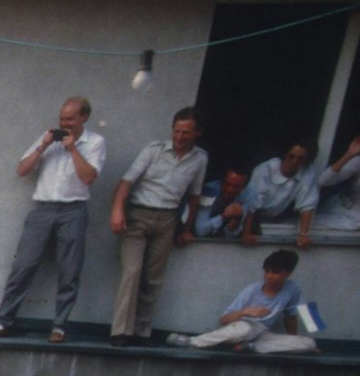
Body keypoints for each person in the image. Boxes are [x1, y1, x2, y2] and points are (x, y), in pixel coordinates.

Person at [0, 97, 105, 343]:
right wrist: (43, 146)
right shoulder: (47, 137)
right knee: (23, 267)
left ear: (84, 118)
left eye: (70, 119)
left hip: (73, 210)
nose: (64, 123)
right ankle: (2, 321)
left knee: (69, 270)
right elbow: (21, 170)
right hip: (42, 209)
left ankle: (60, 327)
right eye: (62, 118)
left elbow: (89, 177)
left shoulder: (95, 142)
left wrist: (73, 149)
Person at [107, 106, 208, 349]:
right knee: (132, 272)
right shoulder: (153, 151)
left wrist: (187, 227)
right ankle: (121, 331)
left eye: (186, 133)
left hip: (168, 219)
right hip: (139, 214)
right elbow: (126, 181)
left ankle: (141, 331)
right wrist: (117, 210)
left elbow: (195, 195)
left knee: (153, 277)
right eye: (177, 131)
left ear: (197, 133)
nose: (180, 137)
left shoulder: (200, 158)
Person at [164, 247, 318, 354]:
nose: (269, 276)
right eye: (267, 271)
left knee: (309, 344)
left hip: (262, 335)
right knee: (245, 329)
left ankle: (251, 347)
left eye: (276, 272)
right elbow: (224, 320)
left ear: (288, 273)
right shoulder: (252, 290)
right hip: (244, 327)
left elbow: (291, 316)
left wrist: (293, 340)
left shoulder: (293, 288)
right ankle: (191, 341)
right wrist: (246, 311)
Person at [241, 138, 320, 246]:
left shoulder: (307, 172)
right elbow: (252, 203)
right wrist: (246, 233)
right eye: (291, 156)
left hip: (274, 219)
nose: (294, 162)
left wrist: (303, 235)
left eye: (300, 159)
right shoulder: (265, 169)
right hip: (248, 217)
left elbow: (306, 204)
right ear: (284, 155)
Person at [194, 168, 250, 239]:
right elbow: (200, 231)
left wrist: (237, 218)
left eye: (236, 186)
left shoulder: (247, 195)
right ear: (221, 182)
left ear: (243, 187)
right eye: (227, 184)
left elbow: (229, 235)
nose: (230, 189)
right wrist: (224, 216)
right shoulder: (209, 190)